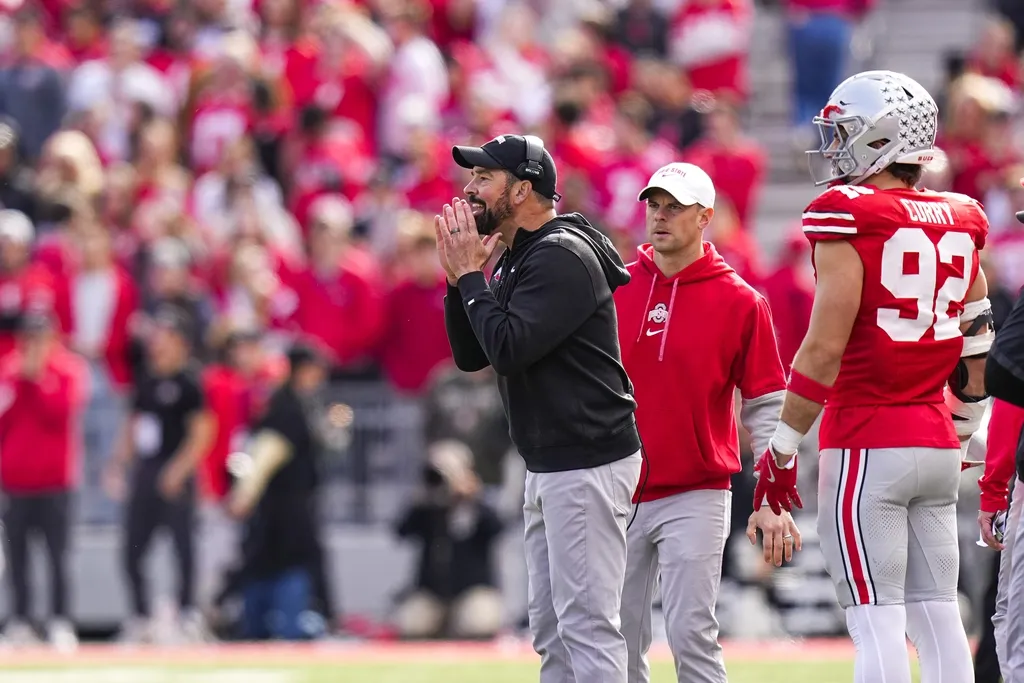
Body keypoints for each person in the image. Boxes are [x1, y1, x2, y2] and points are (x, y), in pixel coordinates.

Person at [753, 70, 993, 683]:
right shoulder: (960, 216)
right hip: (936, 443)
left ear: (881, 138)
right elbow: (978, 343)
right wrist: (963, 432)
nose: (832, 148)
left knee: (876, 619)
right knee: (938, 614)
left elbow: (824, 347)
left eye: (844, 134)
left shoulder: (849, 215)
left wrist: (781, 448)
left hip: (867, 440)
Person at [438, 134, 643, 683]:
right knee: (552, 633)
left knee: (587, 628)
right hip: (553, 460)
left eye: (483, 178)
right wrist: (461, 280)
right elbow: (470, 353)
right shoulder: (522, 254)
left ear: (523, 189)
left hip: (585, 458)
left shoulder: (558, 255)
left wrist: (471, 278)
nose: (469, 189)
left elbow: (507, 349)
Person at [614, 162, 802, 683]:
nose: (660, 216)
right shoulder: (615, 287)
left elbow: (767, 406)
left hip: (697, 489)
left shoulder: (741, 301)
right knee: (615, 635)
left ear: (706, 218)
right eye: (654, 205)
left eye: (675, 207)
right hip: (616, 488)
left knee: (691, 631)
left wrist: (770, 496)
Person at [104, 306, 214, 644]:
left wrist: (178, 470)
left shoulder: (190, 381)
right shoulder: (148, 379)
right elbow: (133, 425)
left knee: (184, 548)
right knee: (132, 549)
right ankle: (141, 616)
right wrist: (116, 465)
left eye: (165, 337)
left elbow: (203, 432)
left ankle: (187, 614)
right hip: (147, 470)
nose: (157, 344)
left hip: (176, 472)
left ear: (180, 342)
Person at [226, 341, 330, 641]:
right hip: (283, 507)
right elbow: (265, 454)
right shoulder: (285, 406)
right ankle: (280, 626)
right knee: (287, 563)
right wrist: (244, 494)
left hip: (286, 504)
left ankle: (263, 625)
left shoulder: (300, 402)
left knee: (266, 561)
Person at [0, 308, 87, 650]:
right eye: (29, 337)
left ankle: (60, 621)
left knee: (57, 556)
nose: (34, 344)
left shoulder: (68, 370)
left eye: (40, 336)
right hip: (16, 480)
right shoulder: (8, 371)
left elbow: (59, 413)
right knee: (17, 557)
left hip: (54, 481)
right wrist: (22, 379)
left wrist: (35, 379)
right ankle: (20, 620)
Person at [392, 441, 505, 640]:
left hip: (472, 590)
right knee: (411, 624)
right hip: (431, 592)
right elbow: (401, 531)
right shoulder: (427, 507)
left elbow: (497, 529)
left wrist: (473, 500)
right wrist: (422, 498)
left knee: (480, 623)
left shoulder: (478, 507)